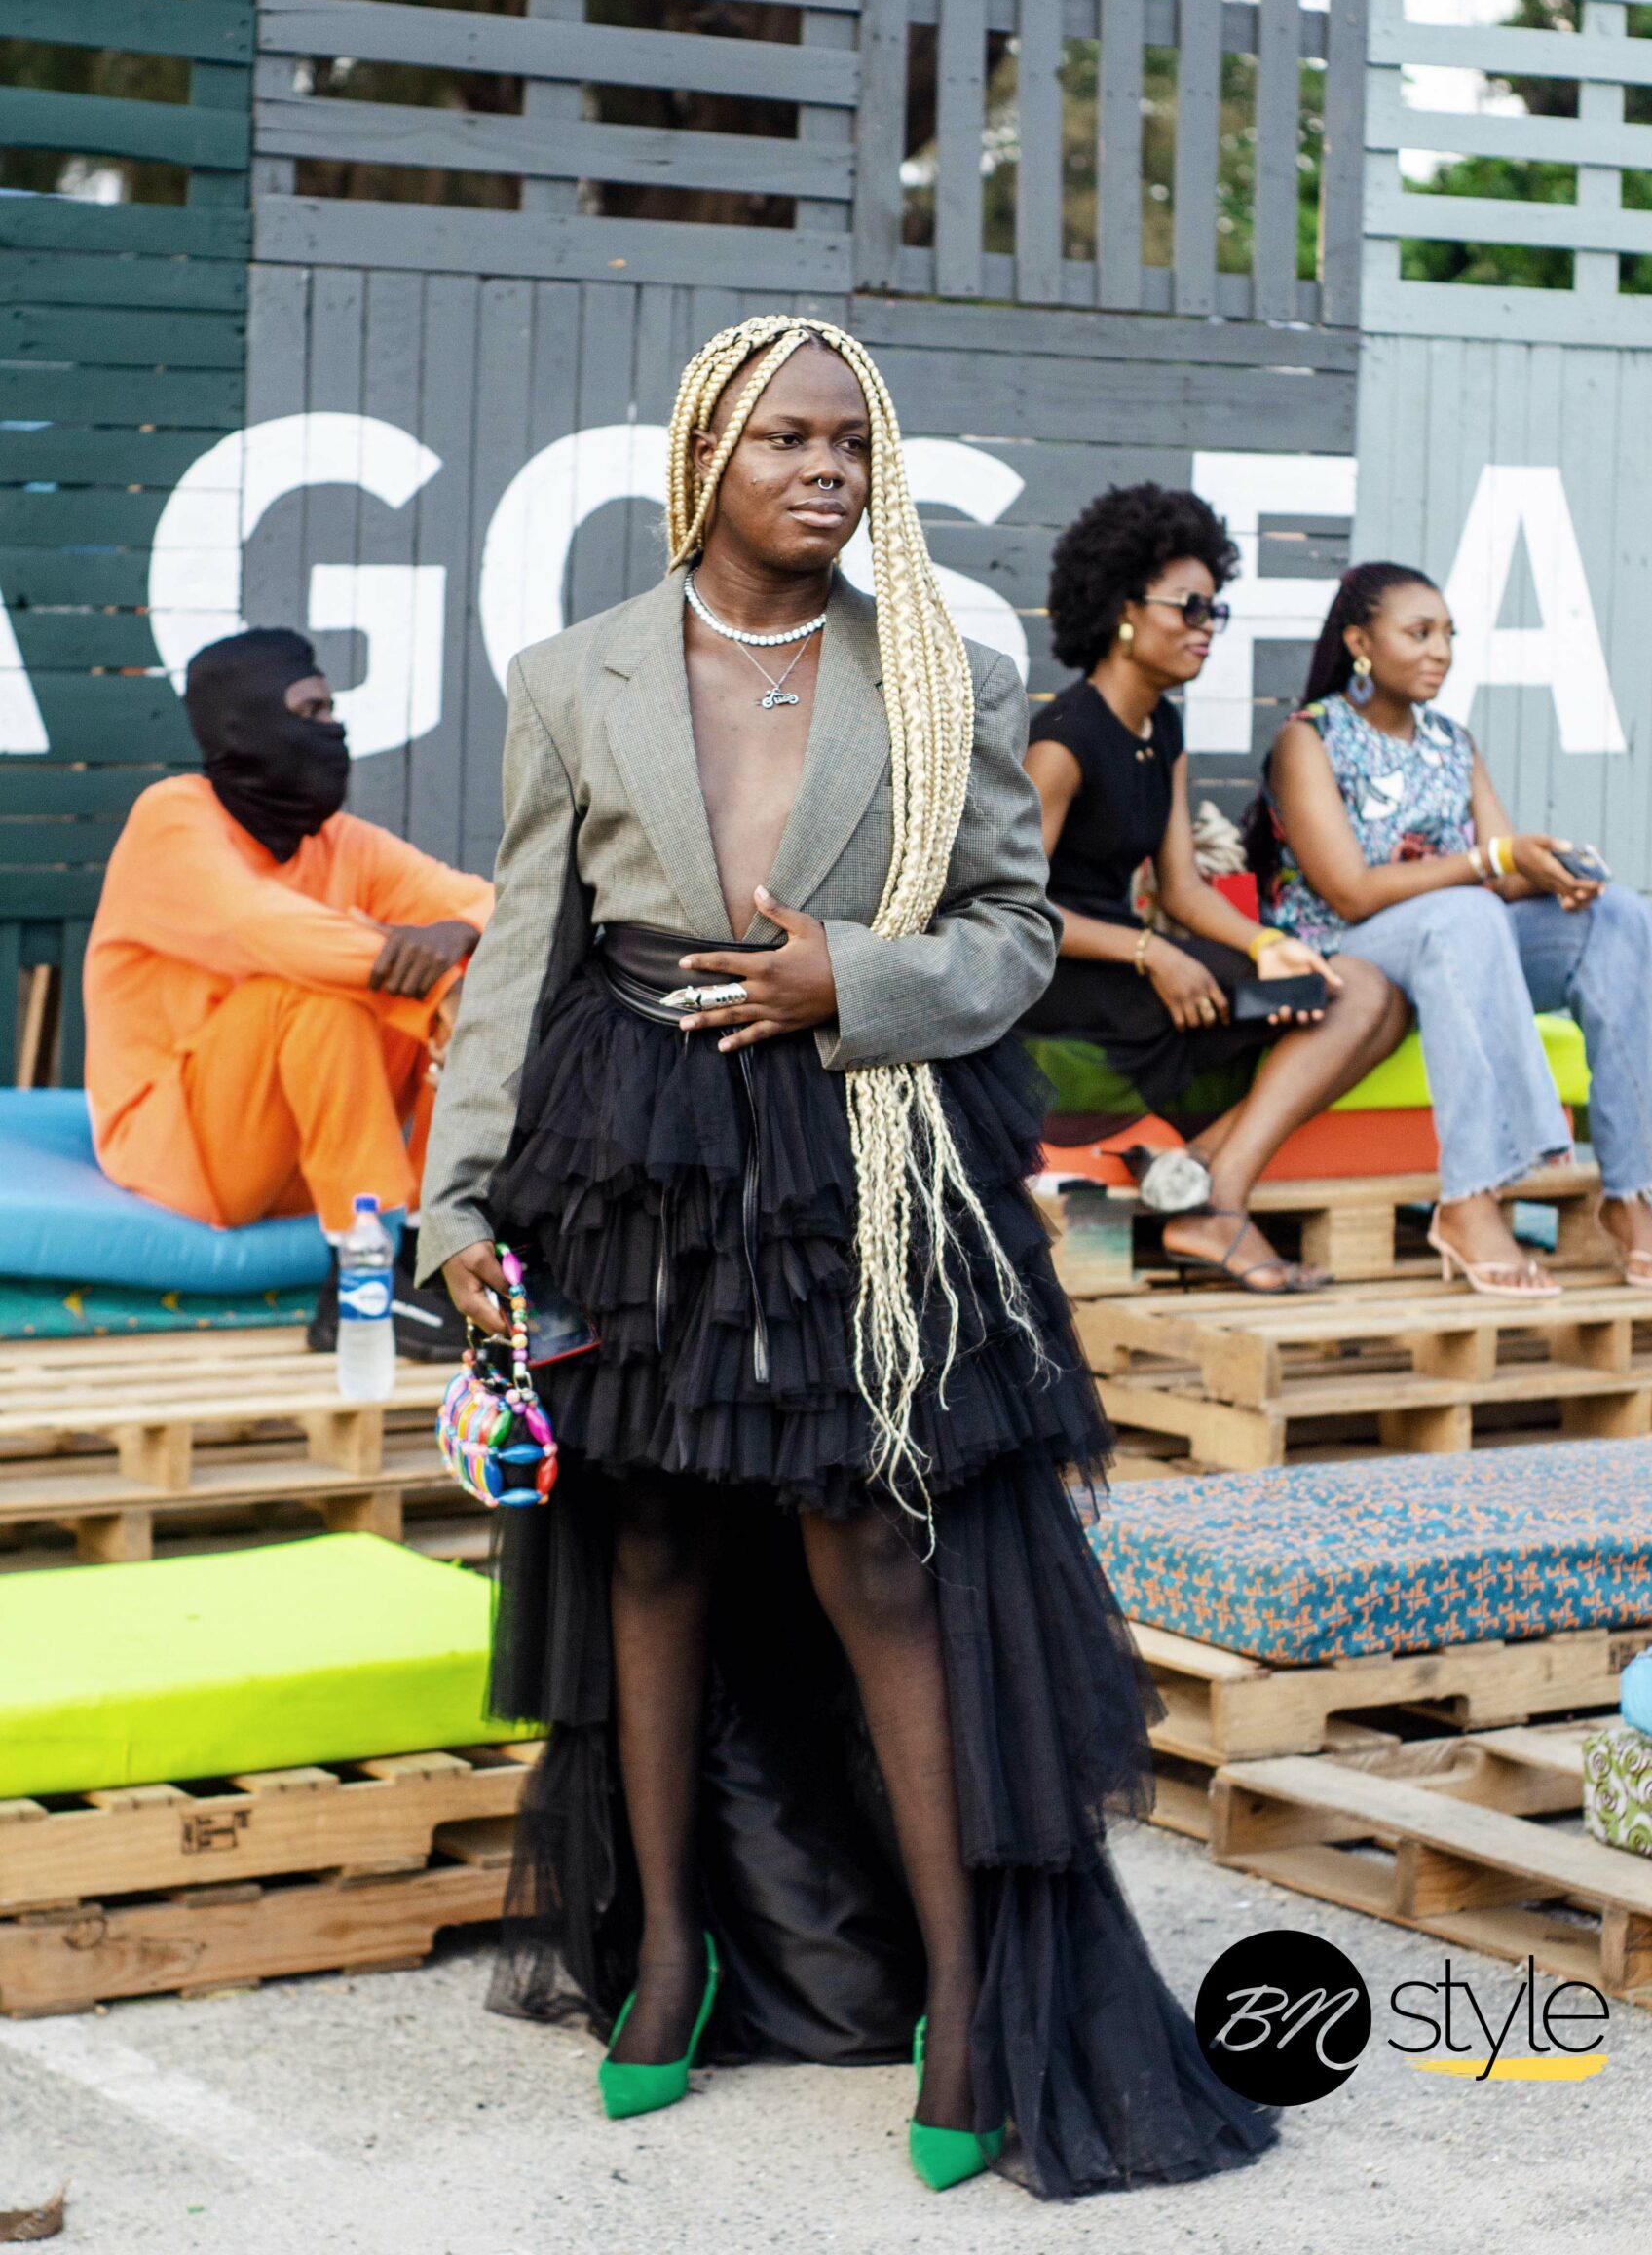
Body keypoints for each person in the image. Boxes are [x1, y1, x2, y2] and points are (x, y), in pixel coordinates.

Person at [421, 319, 1275, 2198]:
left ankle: (962, 2000)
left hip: (859, 1149)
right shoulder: (574, 675)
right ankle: (668, 1955)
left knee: (881, 1549)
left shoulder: (945, 665)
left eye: (849, 441)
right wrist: (457, 1200)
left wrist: (853, 980)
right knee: (649, 1539)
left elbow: (1013, 935)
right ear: (701, 460)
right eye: (782, 438)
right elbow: (519, 955)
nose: (824, 469)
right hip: (629, 1144)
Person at [1019, 483, 1404, 1292]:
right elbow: (1012, 908)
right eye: (1189, 607)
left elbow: (1185, 891)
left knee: (1367, 994)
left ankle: (1195, 1177)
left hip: (1133, 962)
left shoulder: (1161, 724)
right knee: (1357, 994)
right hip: (1067, 978)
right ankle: (1216, 1205)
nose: (1206, 627)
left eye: (1214, 610)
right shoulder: (1064, 739)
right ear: (1124, 608)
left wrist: (1267, 945)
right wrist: (1155, 954)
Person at [84, 627, 493, 1355]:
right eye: (310, 712)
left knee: (474, 990)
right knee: (315, 991)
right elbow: (263, 928)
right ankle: (358, 1291)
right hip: (179, 1152)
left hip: (306, 1160)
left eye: (332, 709)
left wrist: (459, 934)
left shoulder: (339, 842)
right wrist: (436, 985)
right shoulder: (172, 819)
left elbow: (495, 905)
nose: (334, 728)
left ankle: (427, 1250)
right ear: (243, 728)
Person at [1249, 560, 1652, 1297]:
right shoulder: (1309, 739)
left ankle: (1631, 1194)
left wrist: (1549, 869)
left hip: (1459, 942)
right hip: (1347, 953)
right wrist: (1490, 862)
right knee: (1468, 910)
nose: (1440, 651)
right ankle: (1470, 1197)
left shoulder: (1451, 741)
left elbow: (1500, 871)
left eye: (1449, 635)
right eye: (1419, 633)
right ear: (1360, 643)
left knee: (1618, 914)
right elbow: (1350, 892)